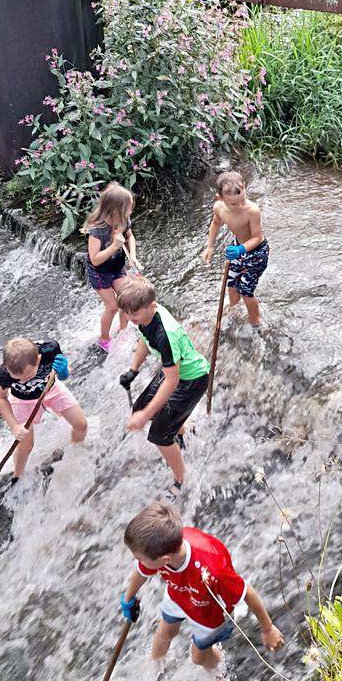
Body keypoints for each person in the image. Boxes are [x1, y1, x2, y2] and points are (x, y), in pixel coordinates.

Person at [119, 503, 284, 671]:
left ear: (165, 560)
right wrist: (128, 599)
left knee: (198, 657)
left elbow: (247, 592)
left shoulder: (213, 572)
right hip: (178, 592)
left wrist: (267, 629)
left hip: (210, 613)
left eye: (139, 558)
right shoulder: (162, 548)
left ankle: (220, 678)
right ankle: (154, 673)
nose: (138, 561)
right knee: (164, 632)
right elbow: (141, 573)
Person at [117, 276, 209, 500]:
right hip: (176, 372)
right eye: (126, 313)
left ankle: (181, 479)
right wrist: (134, 369)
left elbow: (171, 382)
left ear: (152, 305)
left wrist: (144, 416)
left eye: (134, 314)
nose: (129, 319)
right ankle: (180, 430)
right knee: (141, 408)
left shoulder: (164, 334)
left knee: (158, 435)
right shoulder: (145, 318)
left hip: (192, 380)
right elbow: (145, 339)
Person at [0, 337, 87, 479]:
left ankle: (75, 451)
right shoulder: (6, 373)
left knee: (81, 424)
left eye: (28, 376)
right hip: (22, 400)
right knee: (26, 444)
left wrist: (64, 372)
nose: (23, 380)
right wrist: (14, 426)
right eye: (17, 378)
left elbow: (65, 374)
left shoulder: (50, 350)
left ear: (38, 359)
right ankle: (17, 475)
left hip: (51, 389)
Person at [202, 171, 269, 332]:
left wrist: (241, 249)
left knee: (246, 291)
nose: (239, 206)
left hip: (257, 253)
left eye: (242, 200)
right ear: (220, 198)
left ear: (244, 188)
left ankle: (255, 324)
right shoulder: (219, 208)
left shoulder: (252, 210)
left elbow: (257, 237)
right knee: (231, 284)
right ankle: (234, 311)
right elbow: (215, 224)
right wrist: (209, 247)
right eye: (233, 204)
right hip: (238, 248)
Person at [82, 181, 141, 352]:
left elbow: (130, 237)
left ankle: (123, 330)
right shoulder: (97, 231)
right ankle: (104, 338)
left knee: (125, 299)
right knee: (113, 306)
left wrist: (133, 257)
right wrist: (114, 246)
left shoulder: (123, 221)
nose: (130, 212)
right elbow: (95, 259)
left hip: (117, 267)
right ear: (115, 210)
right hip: (100, 272)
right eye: (128, 208)